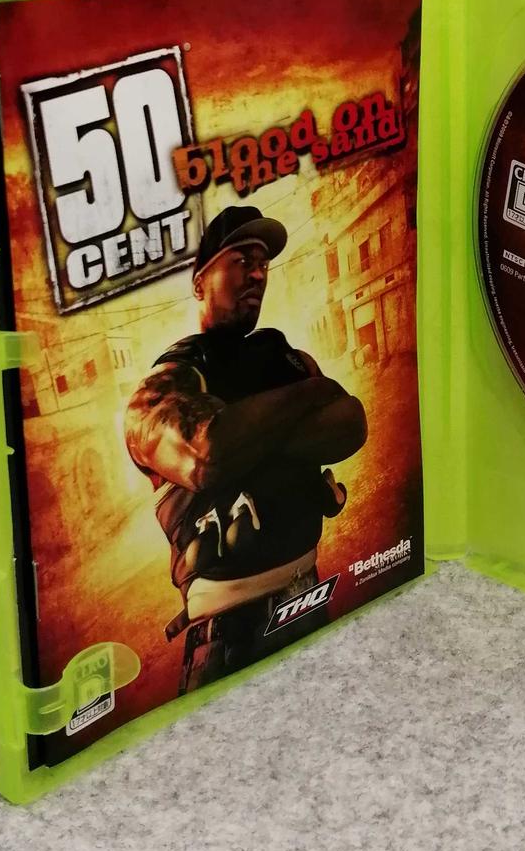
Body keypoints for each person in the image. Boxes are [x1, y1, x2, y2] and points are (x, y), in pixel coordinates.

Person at [124, 205, 367, 694]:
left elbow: (351, 426)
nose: (257, 274)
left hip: (307, 599)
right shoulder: (167, 382)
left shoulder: (286, 359)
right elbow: (206, 456)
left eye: (263, 263)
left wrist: (247, 427)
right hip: (226, 641)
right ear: (199, 282)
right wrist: (312, 394)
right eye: (240, 260)